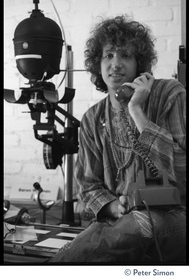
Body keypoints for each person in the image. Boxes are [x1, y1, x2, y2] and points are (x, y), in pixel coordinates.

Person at [52, 15, 186, 264]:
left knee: (140, 223)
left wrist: (137, 112)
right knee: (83, 243)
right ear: (97, 63)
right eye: (109, 55)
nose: (116, 64)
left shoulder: (170, 95)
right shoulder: (92, 118)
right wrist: (114, 206)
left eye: (125, 56)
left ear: (139, 64)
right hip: (120, 220)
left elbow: (184, 170)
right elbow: (88, 186)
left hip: (174, 215)